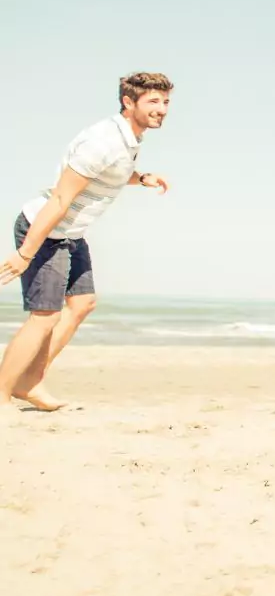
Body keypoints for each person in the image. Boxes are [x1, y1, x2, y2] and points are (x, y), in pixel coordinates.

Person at [0, 73, 174, 412]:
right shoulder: (104, 141)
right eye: (153, 101)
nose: (162, 109)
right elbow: (61, 199)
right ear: (129, 102)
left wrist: (142, 178)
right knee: (44, 317)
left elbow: (113, 172)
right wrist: (26, 253)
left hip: (71, 233)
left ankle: (28, 382)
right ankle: (3, 390)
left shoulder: (128, 139)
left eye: (166, 102)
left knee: (82, 303)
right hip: (47, 230)